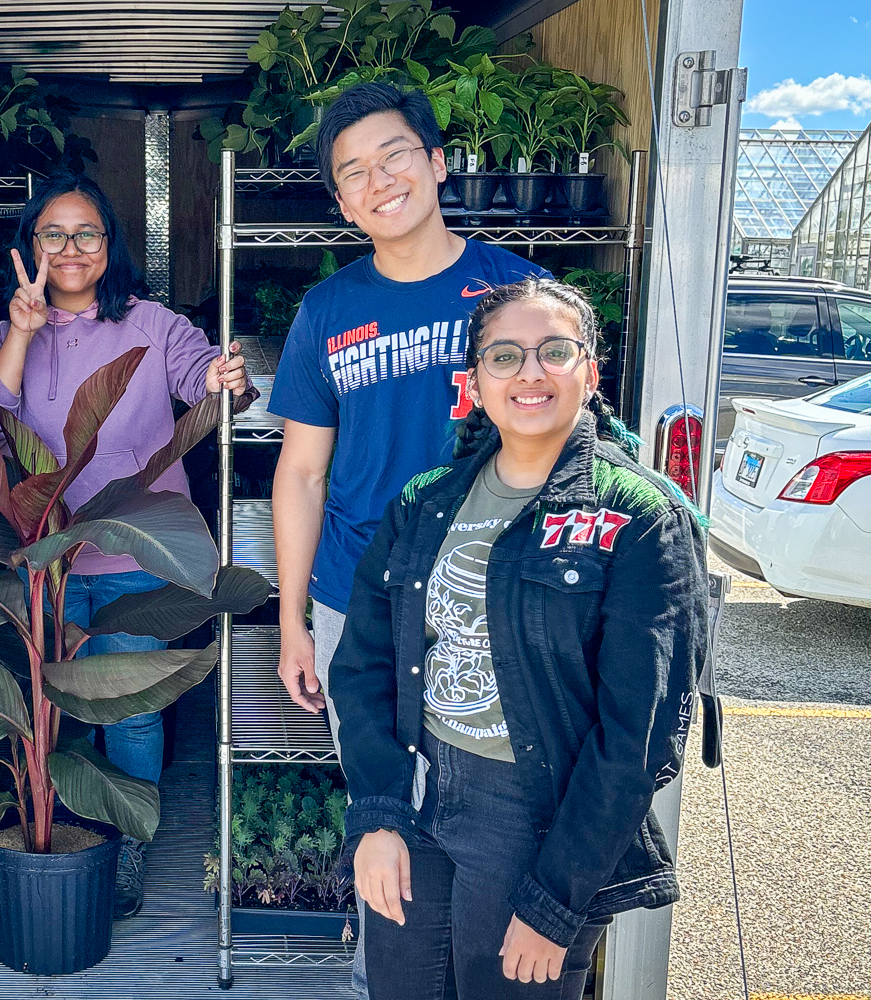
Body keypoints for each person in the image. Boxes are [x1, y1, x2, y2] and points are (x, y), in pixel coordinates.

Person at [329, 278, 708, 999]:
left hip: (535, 826)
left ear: (590, 372)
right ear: (473, 382)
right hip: (419, 796)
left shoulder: (636, 516)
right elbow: (363, 665)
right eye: (504, 356)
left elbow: (638, 737)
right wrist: (376, 816)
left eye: (554, 352)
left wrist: (555, 902)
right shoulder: (427, 501)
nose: (530, 372)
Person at [267, 81, 550, 995]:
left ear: (436, 163)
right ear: (342, 203)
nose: (377, 180)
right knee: (383, 817)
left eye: (395, 156)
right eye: (353, 173)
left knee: (498, 813)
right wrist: (292, 622)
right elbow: (302, 475)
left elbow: (562, 446)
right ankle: (380, 981)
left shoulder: (512, 291)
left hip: (489, 599)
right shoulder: (326, 311)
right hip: (362, 603)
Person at [0, 171, 252, 919]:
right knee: (49, 711)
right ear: (28, 246)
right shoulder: (5, 334)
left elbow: (204, 377)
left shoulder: (151, 324)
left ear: (109, 244)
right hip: (41, 566)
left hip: (136, 554)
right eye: (51, 234)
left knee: (129, 709)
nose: (70, 248)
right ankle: (64, 831)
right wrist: (22, 334)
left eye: (86, 233)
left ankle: (133, 846)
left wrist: (226, 379)